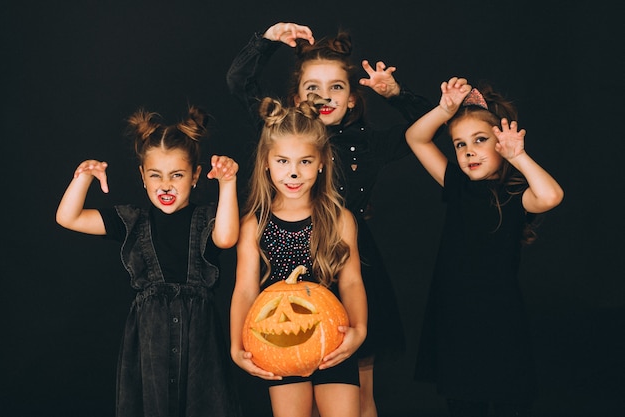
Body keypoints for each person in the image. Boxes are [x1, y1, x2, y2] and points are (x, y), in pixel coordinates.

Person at [226, 22, 433, 416]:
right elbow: (239, 83)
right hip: (284, 292)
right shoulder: (277, 134)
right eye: (312, 88)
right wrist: (267, 42)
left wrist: (396, 93)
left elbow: (426, 128)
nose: (324, 96)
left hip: (347, 264)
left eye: (336, 87)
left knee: (357, 395)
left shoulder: (368, 145)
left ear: (353, 98)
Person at [56, 106, 242, 417]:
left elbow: (226, 238)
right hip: (149, 342)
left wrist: (228, 183)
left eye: (177, 175)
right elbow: (68, 217)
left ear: (195, 176)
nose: (165, 185)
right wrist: (84, 177)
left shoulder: (209, 218)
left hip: (200, 343)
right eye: (155, 175)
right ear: (143, 176)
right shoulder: (132, 221)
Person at [406, 77, 564, 417]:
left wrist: (518, 157)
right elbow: (415, 138)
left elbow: (551, 196)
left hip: (500, 316)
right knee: (463, 401)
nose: (469, 151)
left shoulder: (516, 196)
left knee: (508, 396)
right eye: (460, 145)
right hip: (454, 315)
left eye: (480, 140)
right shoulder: (457, 185)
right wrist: (444, 109)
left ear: (500, 144)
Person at [230, 96, 368, 417]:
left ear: (322, 162)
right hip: (281, 339)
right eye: (282, 162)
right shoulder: (255, 224)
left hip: (333, 340)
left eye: (305, 162)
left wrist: (358, 330)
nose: (293, 174)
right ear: (266, 161)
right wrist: (237, 346)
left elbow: (351, 283)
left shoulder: (339, 219)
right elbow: (245, 290)